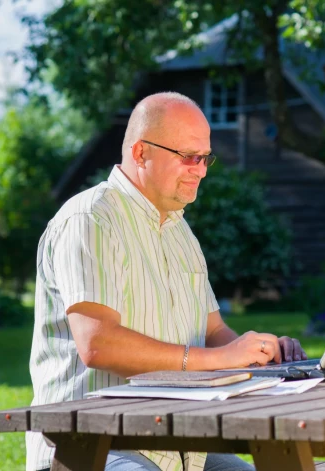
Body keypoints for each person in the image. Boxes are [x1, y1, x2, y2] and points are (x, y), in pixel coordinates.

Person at [26, 92, 307, 471]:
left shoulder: (179, 230)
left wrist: (260, 354)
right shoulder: (90, 219)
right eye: (188, 157)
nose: (201, 169)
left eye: (205, 158)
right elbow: (98, 344)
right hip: (92, 446)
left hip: (179, 445)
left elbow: (213, 331)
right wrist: (219, 359)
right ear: (141, 153)